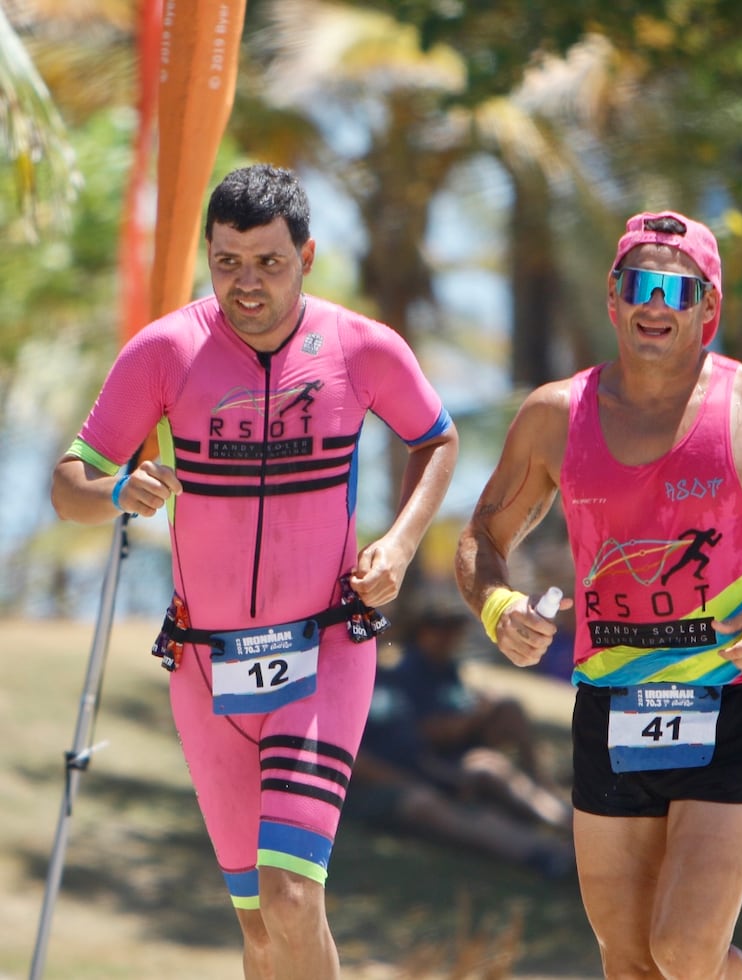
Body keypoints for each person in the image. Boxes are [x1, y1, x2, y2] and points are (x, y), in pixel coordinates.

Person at [455, 210, 742, 979]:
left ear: (707, 309)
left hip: (732, 696)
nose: (656, 304)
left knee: (684, 951)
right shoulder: (557, 415)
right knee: (628, 964)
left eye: (677, 289)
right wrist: (499, 609)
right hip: (612, 705)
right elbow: (481, 539)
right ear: (614, 299)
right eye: (639, 285)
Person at [50, 164, 459, 980]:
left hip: (324, 656)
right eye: (228, 261)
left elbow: (436, 439)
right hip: (207, 672)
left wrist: (403, 544)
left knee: (292, 899)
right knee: (261, 935)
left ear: (307, 254)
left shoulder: (359, 348)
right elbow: (68, 488)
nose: (246, 283)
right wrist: (118, 492)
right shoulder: (165, 352)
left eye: (269, 262)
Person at [346, 597, 574, 875]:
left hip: (424, 769)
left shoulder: (386, 677)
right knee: (428, 802)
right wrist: (425, 778)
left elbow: (414, 743)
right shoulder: (377, 679)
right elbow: (357, 761)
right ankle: (545, 854)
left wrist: (439, 772)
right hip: (373, 790)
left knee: (480, 776)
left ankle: (567, 829)